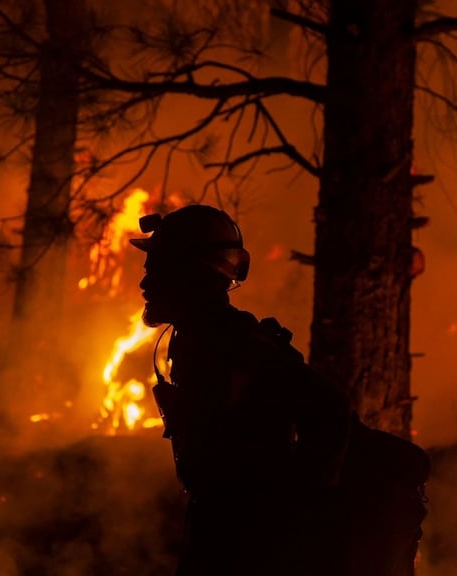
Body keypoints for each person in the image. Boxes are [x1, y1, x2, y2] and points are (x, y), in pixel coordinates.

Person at [129, 204, 350, 576]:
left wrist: (296, 512)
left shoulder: (236, 342)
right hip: (220, 531)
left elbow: (330, 410)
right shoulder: (200, 338)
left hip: (248, 543)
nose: (145, 284)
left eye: (157, 270)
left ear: (192, 273)